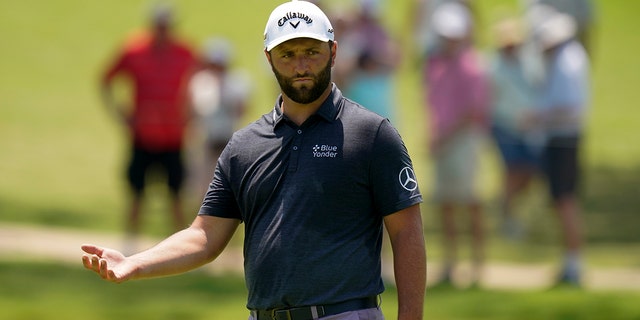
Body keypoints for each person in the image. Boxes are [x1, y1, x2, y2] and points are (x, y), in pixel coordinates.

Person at [82, 1, 427, 319]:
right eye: (287, 54)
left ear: (333, 52)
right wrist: (135, 263)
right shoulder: (244, 147)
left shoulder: (371, 134)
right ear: (269, 58)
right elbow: (204, 236)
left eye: (312, 52)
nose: (301, 65)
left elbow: (407, 231)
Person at [100, 3, 196, 247]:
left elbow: (202, 81)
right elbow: (107, 79)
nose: (163, 31)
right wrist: (121, 115)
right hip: (142, 134)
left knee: (176, 194)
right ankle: (130, 242)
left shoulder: (185, 52)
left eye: (166, 26)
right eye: (159, 26)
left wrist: (193, 114)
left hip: (173, 135)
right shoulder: (134, 50)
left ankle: (182, 245)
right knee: (136, 192)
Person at [421, 1, 490, 287]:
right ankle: (451, 264)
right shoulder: (434, 63)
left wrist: (444, 135)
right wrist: (434, 133)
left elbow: (473, 112)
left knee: (470, 202)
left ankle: (477, 267)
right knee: (446, 204)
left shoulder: (473, 65)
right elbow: (431, 102)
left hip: (463, 141)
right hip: (443, 139)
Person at [531, 9, 590, 286]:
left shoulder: (567, 61)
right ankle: (570, 260)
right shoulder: (567, 57)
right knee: (562, 200)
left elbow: (569, 108)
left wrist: (539, 118)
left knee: (564, 200)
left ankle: (574, 262)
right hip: (562, 137)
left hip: (563, 138)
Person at [487, 17, 543, 239]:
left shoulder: (529, 62)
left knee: (529, 173)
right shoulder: (493, 67)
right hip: (504, 126)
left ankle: (505, 206)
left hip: (529, 128)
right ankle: (508, 217)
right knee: (512, 171)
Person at [187, 37, 252, 195]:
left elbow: (242, 109)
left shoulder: (237, 82)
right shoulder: (200, 82)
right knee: (204, 184)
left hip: (230, 137)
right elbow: (194, 110)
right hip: (206, 139)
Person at [333, 0, 402, 122]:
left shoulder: (381, 34)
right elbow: (341, 72)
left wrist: (373, 61)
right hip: (355, 108)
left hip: (380, 109)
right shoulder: (350, 36)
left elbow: (396, 61)